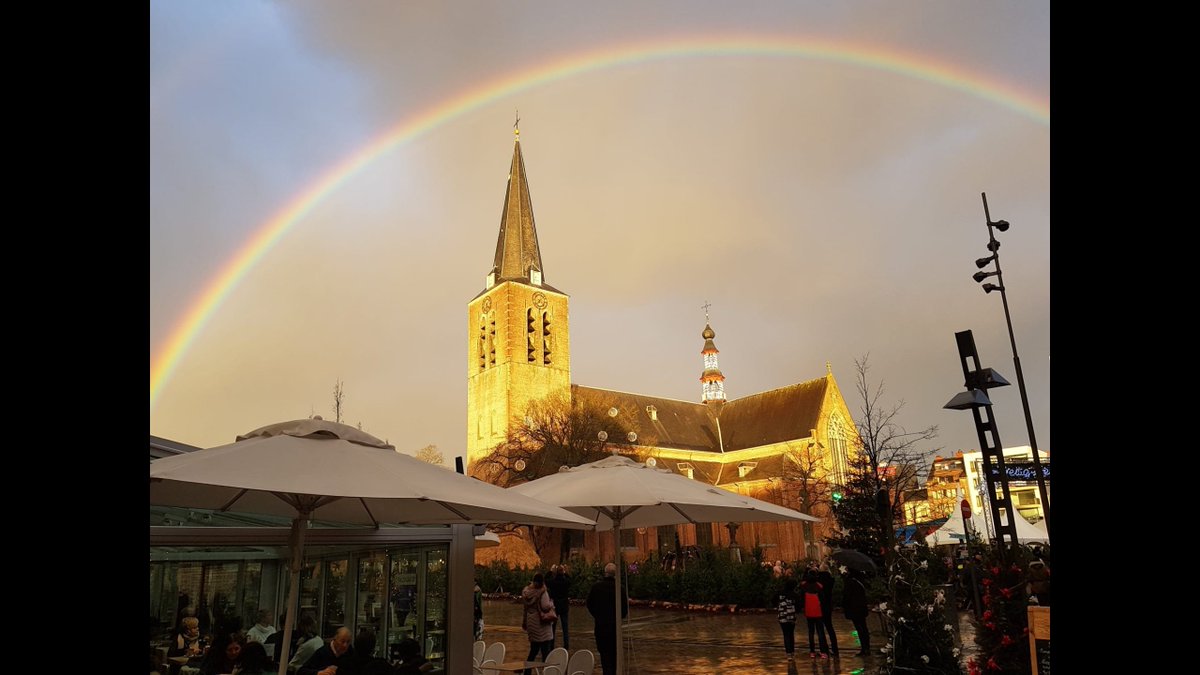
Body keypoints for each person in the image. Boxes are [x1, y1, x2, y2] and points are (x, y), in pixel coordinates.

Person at [586, 562, 628, 675]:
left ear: (605, 573)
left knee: (604, 655)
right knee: (614, 654)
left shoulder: (596, 587)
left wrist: (597, 615)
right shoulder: (620, 588)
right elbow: (624, 609)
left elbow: (589, 604)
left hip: (601, 626)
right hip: (615, 627)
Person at [520, 573, 555, 675]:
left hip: (531, 623)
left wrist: (524, 622)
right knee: (545, 652)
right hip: (542, 625)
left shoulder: (526, 592)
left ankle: (527, 672)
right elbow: (545, 607)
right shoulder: (542, 591)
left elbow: (525, 609)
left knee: (533, 651)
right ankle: (546, 672)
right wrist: (551, 603)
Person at [800, 569, 830, 659]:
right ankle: (823, 652)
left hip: (808, 611)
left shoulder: (804, 586)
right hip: (818, 611)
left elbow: (801, 596)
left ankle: (812, 652)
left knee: (811, 632)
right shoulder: (819, 586)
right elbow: (823, 598)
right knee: (820, 632)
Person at [842, 568, 871, 656]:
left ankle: (864, 648)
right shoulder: (861, 580)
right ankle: (867, 647)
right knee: (864, 627)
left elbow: (846, 596)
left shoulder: (850, 581)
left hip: (854, 608)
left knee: (859, 628)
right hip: (862, 607)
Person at [816, 562, 840, 656]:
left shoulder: (819, 580)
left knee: (820, 628)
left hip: (820, 605)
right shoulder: (831, 579)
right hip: (828, 605)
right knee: (830, 627)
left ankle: (824, 649)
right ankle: (835, 648)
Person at [546, 564, 572, 649]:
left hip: (555, 606)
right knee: (565, 627)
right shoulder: (566, 582)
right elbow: (570, 580)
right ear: (563, 572)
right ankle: (566, 644)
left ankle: (551, 644)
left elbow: (546, 580)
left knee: (552, 627)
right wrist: (566, 571)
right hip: (564, 606)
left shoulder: (553, 582)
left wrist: (550, 571)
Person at [777, 577, 799, 660]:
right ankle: (792, 652)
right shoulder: (794, 594)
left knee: (785, 634)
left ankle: (788, 653)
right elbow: (799, 605)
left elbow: (773, 600)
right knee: (791, 634)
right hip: (791, 616)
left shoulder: (780, 593)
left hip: (782, 616)